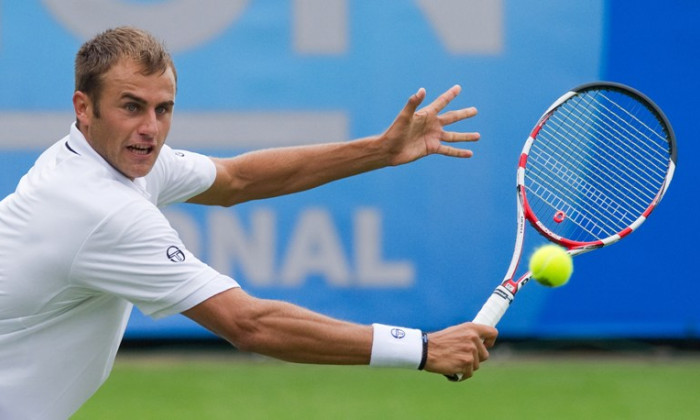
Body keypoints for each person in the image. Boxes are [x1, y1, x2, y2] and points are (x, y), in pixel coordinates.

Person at [0, 26, 498, 419]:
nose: (150, 129)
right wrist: (422, 348)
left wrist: (377, 152)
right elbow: (250, 324)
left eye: (163, 108)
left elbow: (237, 179)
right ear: (84, 108)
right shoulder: (101, 210)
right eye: (131, 107)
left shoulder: (104, 159)